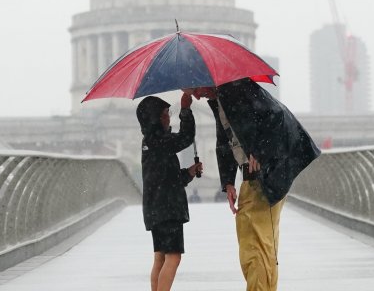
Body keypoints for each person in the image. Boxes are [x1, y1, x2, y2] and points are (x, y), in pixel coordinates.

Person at [185, 79, 320, 291]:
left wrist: (259, 151)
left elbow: (275, 115)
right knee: (254, 238)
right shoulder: (220, 98)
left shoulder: (236, 88)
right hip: (254, 176)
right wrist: (228, 182)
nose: (196, 97)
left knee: (257, 242)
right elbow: (225, 141)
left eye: (194, 90)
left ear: (203, 80)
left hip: (270, 172)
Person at [137, 92, 203, 291]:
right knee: (173, 257)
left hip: (155, 208)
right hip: (168, 210)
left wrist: (189, 173)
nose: (168, 116)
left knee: (160, 257)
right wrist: (185, 109)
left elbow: (166, 177)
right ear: (156, 117)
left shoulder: (151, 141)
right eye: (166, 113)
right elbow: (185, 138)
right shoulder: (159, 140)